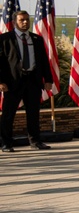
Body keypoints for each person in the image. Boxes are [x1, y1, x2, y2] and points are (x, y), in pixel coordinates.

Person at [0, 11, 54, 152]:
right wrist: (1, 82)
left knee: (33, 113)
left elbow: (43, 61)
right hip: (12, 82)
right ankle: (6, 143)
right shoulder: (5, 39)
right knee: (8, 114)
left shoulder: (36, 39)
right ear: (14, 22)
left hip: (33, 81)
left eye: (27, 20)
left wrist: (48, 79)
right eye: (21, 20)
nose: (25, 22)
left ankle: (35, 141)